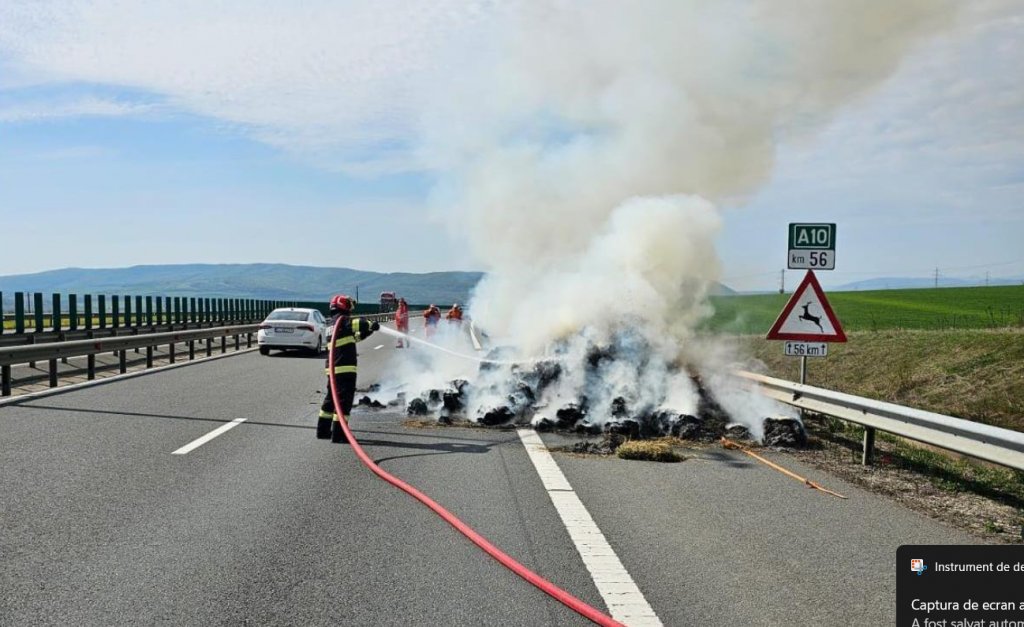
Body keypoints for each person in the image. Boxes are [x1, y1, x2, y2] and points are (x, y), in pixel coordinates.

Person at [317, 294, 379, 443]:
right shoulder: (342, 320)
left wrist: (369, 330)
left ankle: (323, 431)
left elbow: (355, 337)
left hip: (334, 368)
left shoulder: (333, 324)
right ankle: (339, 435)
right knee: (344, 402)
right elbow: (357, 324)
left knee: (331, 400)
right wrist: (369, 323)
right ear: (343, 305)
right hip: (344, 368)